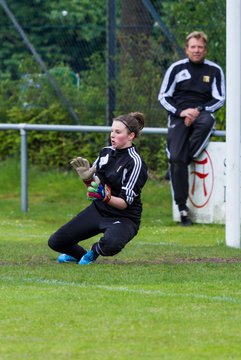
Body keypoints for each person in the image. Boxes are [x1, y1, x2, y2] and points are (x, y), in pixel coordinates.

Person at [48, 112, 148, 265]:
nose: (112, 135)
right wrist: (87, 179)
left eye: (118, 132)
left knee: (111, 244)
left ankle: (93, 252)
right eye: (112, 131)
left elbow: (124, 203)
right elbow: (95, 185)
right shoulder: (105, 152)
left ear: (131, 136)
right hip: (99, 209)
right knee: (56, 242)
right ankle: (79, 255)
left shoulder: (135, 162)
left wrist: (104, 196)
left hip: (124, 217)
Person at [158, 31, 225, 226]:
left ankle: (179, 161)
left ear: (205, 49)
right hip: (179, 115)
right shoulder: (176, 68)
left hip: (202, 113)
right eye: (193, 47)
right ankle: (182, 209)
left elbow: (220, 98)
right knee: (176, 159)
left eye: (200, 47)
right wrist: (182, 112)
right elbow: (163, 96)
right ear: (187, 49)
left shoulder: (214, 70)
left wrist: (197, 110)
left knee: (205, 123)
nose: (197, 50)